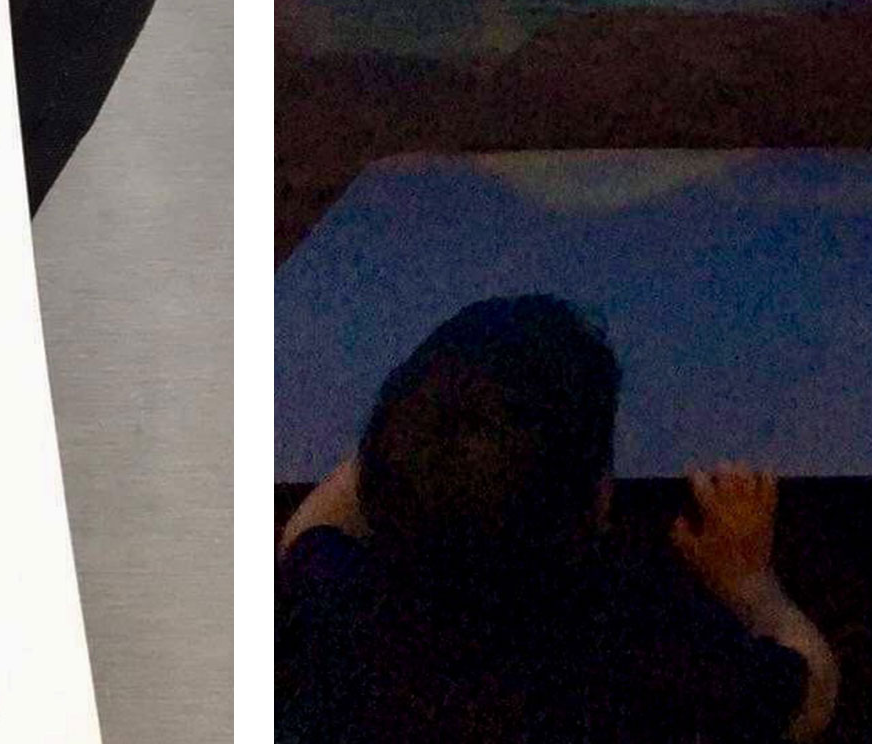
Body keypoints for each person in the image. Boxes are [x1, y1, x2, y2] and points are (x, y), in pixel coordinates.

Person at [278, 295, 840, 741]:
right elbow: (809, 699)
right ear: (597, 500)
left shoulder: (339, 611)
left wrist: (423, 437)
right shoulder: (645, 641)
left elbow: (306, 533)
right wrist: (750, 583)